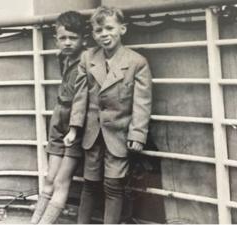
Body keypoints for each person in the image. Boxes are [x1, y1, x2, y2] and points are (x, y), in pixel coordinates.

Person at [64, 5, 152, 224]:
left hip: (120, 135)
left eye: (109, 28)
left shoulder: (137, 62)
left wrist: (137, 135)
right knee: (90, 184)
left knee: (113, 186)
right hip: (92, 134)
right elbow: (80, 96)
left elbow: (142, 103)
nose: (104, 35)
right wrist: (74, 129)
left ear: (122, 29)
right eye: (98, 30)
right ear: (93, 34)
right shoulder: (87, 58)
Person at [30, 11, 87, 224]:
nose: (68, 42)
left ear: (84, 39)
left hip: (77, 123)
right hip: (59, 118)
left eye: (73, 38)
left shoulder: (88, 60)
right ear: (56, 39)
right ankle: (34, 222)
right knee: (50, 179)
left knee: (62, 181)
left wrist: (75, 128)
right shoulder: (62, 56)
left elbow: (83, 99)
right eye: (63, 38)